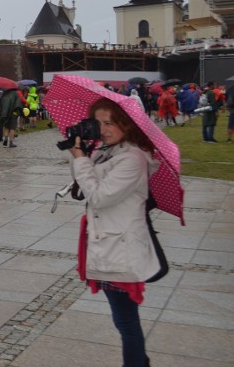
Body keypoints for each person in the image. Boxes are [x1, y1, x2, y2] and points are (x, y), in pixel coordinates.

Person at [67, 97, 161, 367]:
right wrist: (80, 152)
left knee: (126, 321)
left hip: (120, 248)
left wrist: (81, 159)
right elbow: (83, 184)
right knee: (124, 320)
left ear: (127, 125)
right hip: (107, 242)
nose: (103, 129)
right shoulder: (107, 151)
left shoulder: (132, 159)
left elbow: (98, 196)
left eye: (110, 123)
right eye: (98, 123)